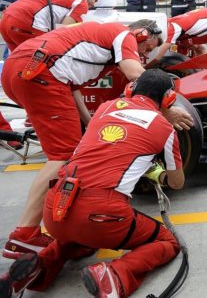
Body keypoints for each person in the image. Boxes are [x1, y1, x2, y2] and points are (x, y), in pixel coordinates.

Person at [1, 20, 193, 261]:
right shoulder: (123, 35)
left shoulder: (97, 40)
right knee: (61, 156)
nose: (146, 54)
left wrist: (90, 123)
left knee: (66, 152)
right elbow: (136, 76)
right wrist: (167, 104)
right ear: (143, 34)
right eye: (148, 47)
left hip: (22, 68)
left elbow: (71, 88)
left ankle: (49, 221)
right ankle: (24, 235)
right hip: (41, 72)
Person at [0, 69, 186, 297]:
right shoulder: (165, 128)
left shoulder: (105, 108)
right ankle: (115, 275)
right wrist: (156, 173)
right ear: (168, 99)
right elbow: (177, 183)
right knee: (166, 241)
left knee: (81, 239)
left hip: (57, 207)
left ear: (131, 89)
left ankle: (40, 265)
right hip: (102, 213)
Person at [0, 0, 96, 51]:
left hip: (6, 18)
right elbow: (63, 32)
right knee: (46, 57)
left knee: (16, 62)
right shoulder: (81, 2)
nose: (94, 4)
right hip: (25, 22)